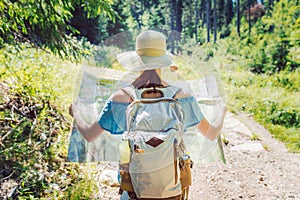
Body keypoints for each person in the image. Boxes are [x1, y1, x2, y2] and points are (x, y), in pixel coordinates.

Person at [69, 30, 226, 199]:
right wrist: (221, 113)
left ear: (137, 62)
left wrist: (76, 113)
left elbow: (90, 135)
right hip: (173, 191)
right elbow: (211, 134)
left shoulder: (121, 98)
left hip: (133, 191)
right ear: (163, 63)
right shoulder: (183, 97)